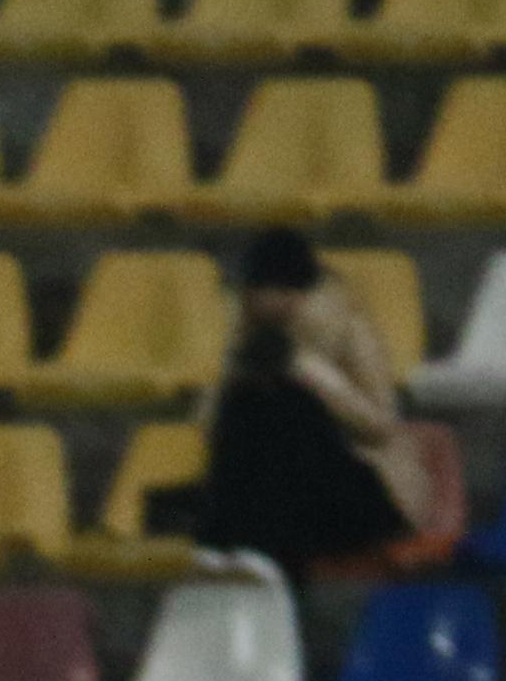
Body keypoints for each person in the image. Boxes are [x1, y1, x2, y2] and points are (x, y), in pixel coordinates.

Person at [148, 225, 430, 576]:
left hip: (352, 488)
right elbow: (208, 427)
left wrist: (310, 374)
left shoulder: (346, 325)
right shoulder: (243, 335)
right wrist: (235, 368)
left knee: (290, 409)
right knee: (253, 410)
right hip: (269, 495)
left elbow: (380, 426)